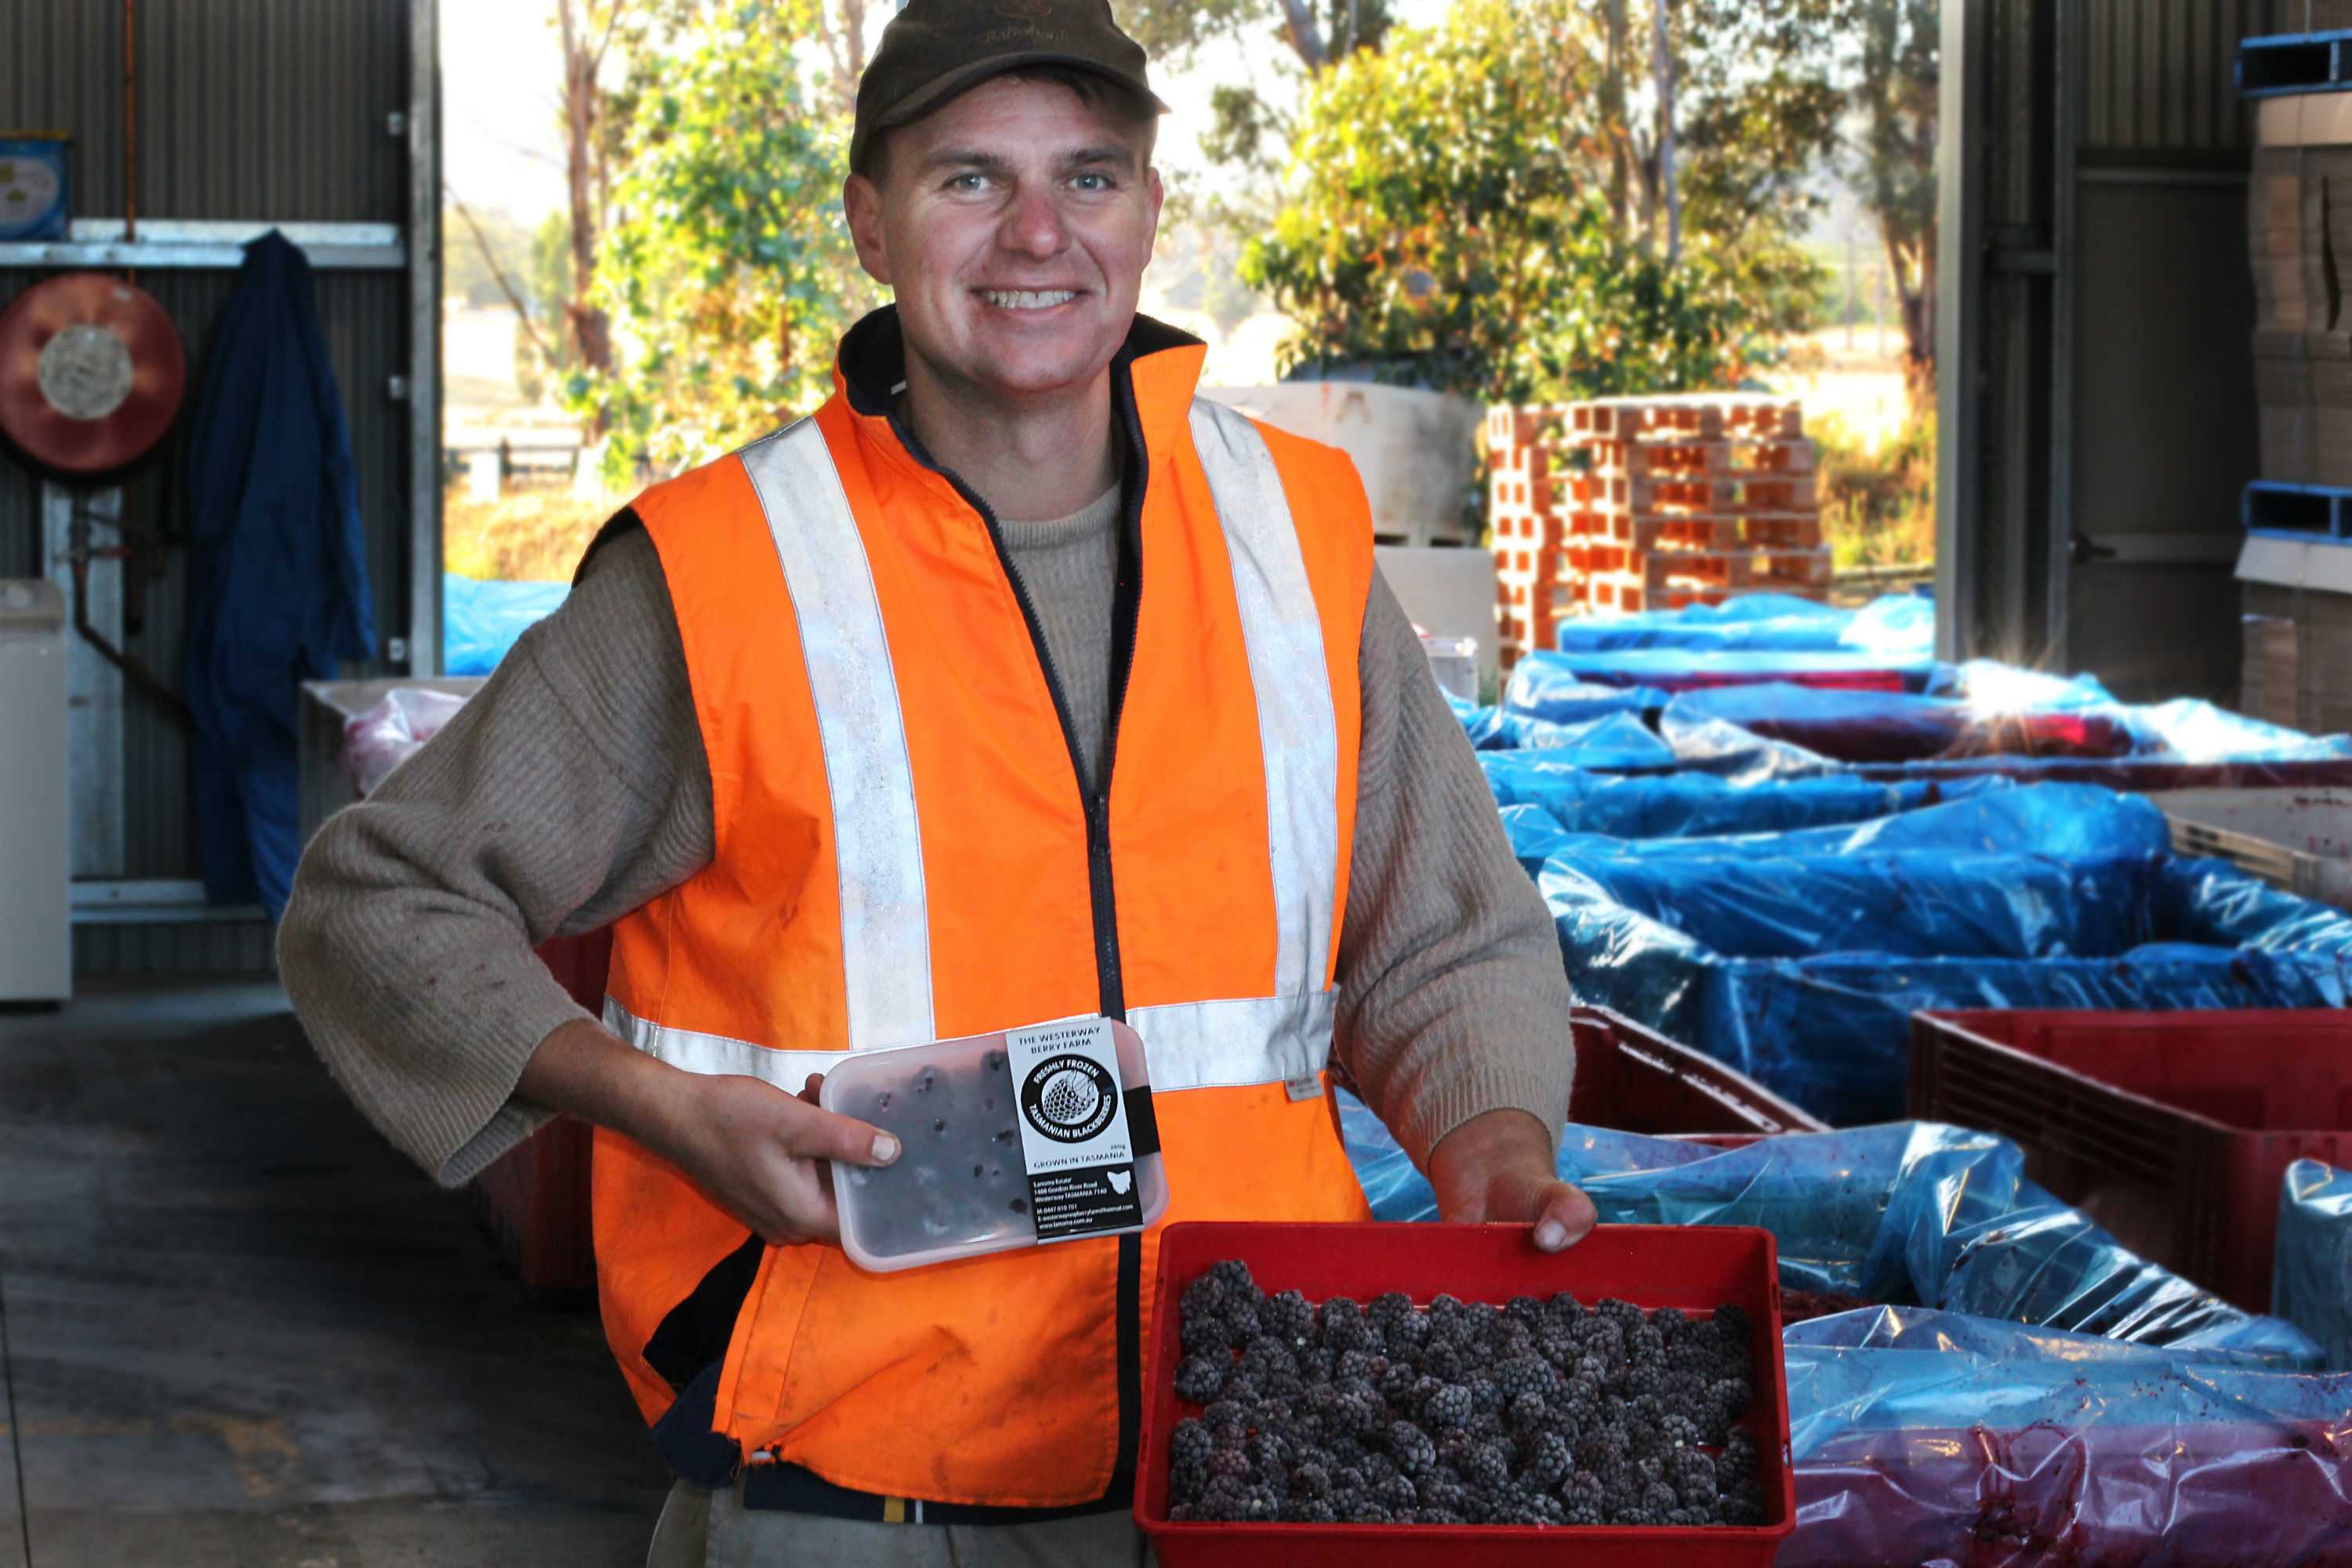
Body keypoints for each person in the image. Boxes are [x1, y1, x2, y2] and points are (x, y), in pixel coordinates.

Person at [279, 2, 1592, 1562]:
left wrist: (1494, 1149)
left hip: (1256, 1437)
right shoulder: (727, 572)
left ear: (1151, 209)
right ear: (869, 219)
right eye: (970, 179)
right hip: (860, 1480)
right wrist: (652, 1109)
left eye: (1088, 179)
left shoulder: (1288, 535)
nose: (1039, 234)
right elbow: (379, 906)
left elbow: (1442, 930)